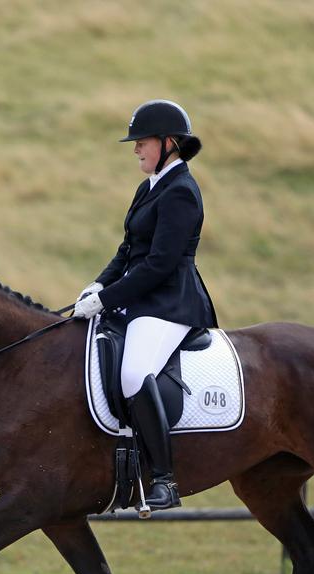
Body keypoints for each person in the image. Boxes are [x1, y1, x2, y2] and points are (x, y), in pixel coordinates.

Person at [74, 99, 218, 510]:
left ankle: (164, 480)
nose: (135, 148)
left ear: (169, 143)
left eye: (142, 141)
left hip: (170, 303)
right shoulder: (149, 187)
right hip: (139, 300)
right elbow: (128, 250)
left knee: (136, 372)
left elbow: (158, 265)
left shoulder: (182, 192)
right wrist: (97, 284)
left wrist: (108, 298)